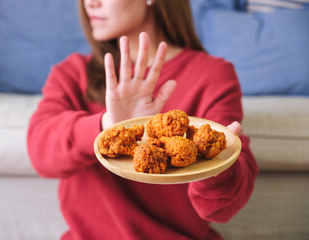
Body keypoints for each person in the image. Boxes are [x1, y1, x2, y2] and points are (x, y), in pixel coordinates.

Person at [27, 0, 258, 239]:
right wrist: (109, 127)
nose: (90, 4)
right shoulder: (71, 73)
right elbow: (40, 154)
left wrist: (218, 164)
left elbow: (223, 208)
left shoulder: (212, 75)